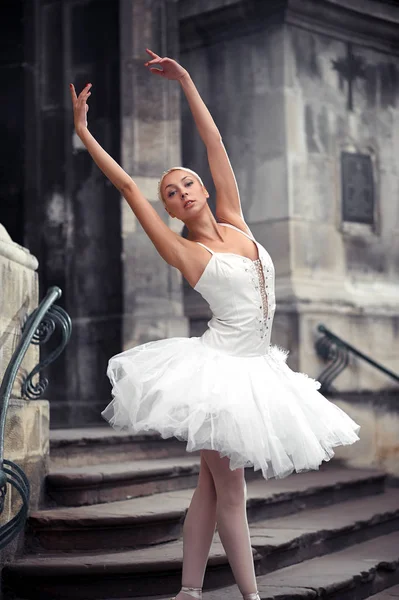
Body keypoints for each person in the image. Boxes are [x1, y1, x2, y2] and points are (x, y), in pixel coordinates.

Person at [69, 48, 360, 600]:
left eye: (186, 184)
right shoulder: (185, 252)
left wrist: (184, 81)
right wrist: (84, 132)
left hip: (258, 370)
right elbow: (131, 189)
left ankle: (189, 590)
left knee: (209, 487)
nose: (179, 192)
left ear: (204, 188)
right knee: (232, 492)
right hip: (220, 376)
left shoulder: (237, 220)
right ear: (174, 211)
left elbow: (215, 143)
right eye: (171, 194)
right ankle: (251, 596)